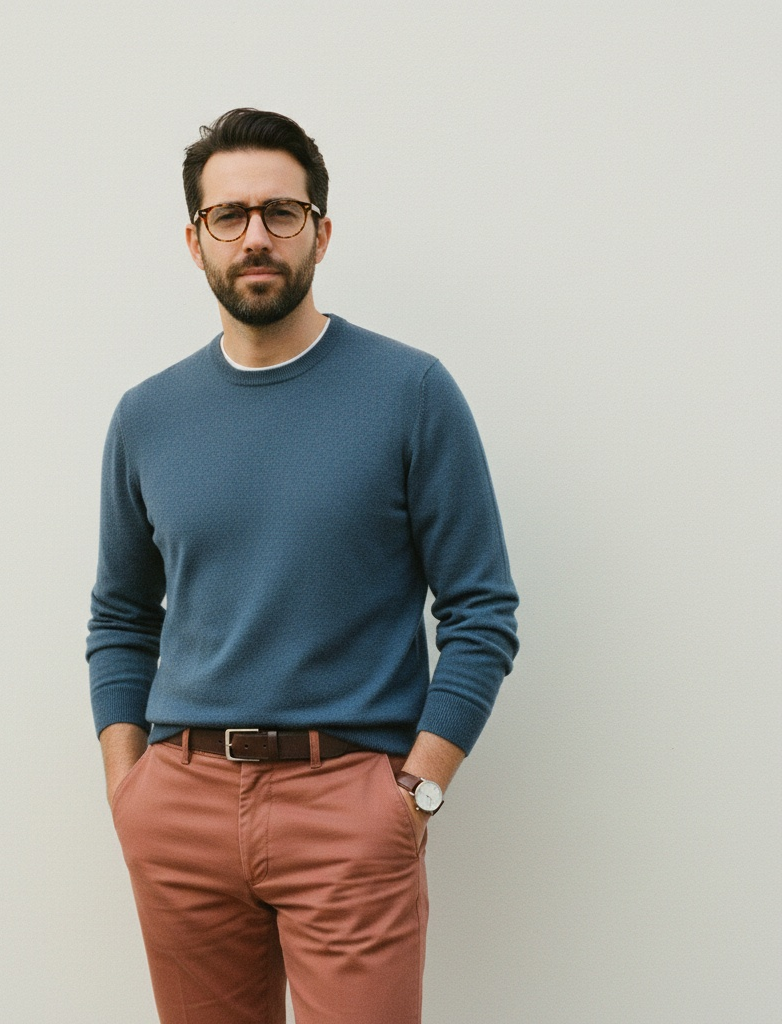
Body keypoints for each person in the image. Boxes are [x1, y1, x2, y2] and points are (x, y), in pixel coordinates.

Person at [86, 108, 519, 1024]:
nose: (256, 237)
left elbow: (481, 611)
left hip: (350, 805)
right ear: (194, 240)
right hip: (182, 807)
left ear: (320, 231)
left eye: (281, 213)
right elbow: (122, 619)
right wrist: (132, 790)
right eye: (229, 216)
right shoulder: (146, 416)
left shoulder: (412, 393)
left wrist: (416, 791)